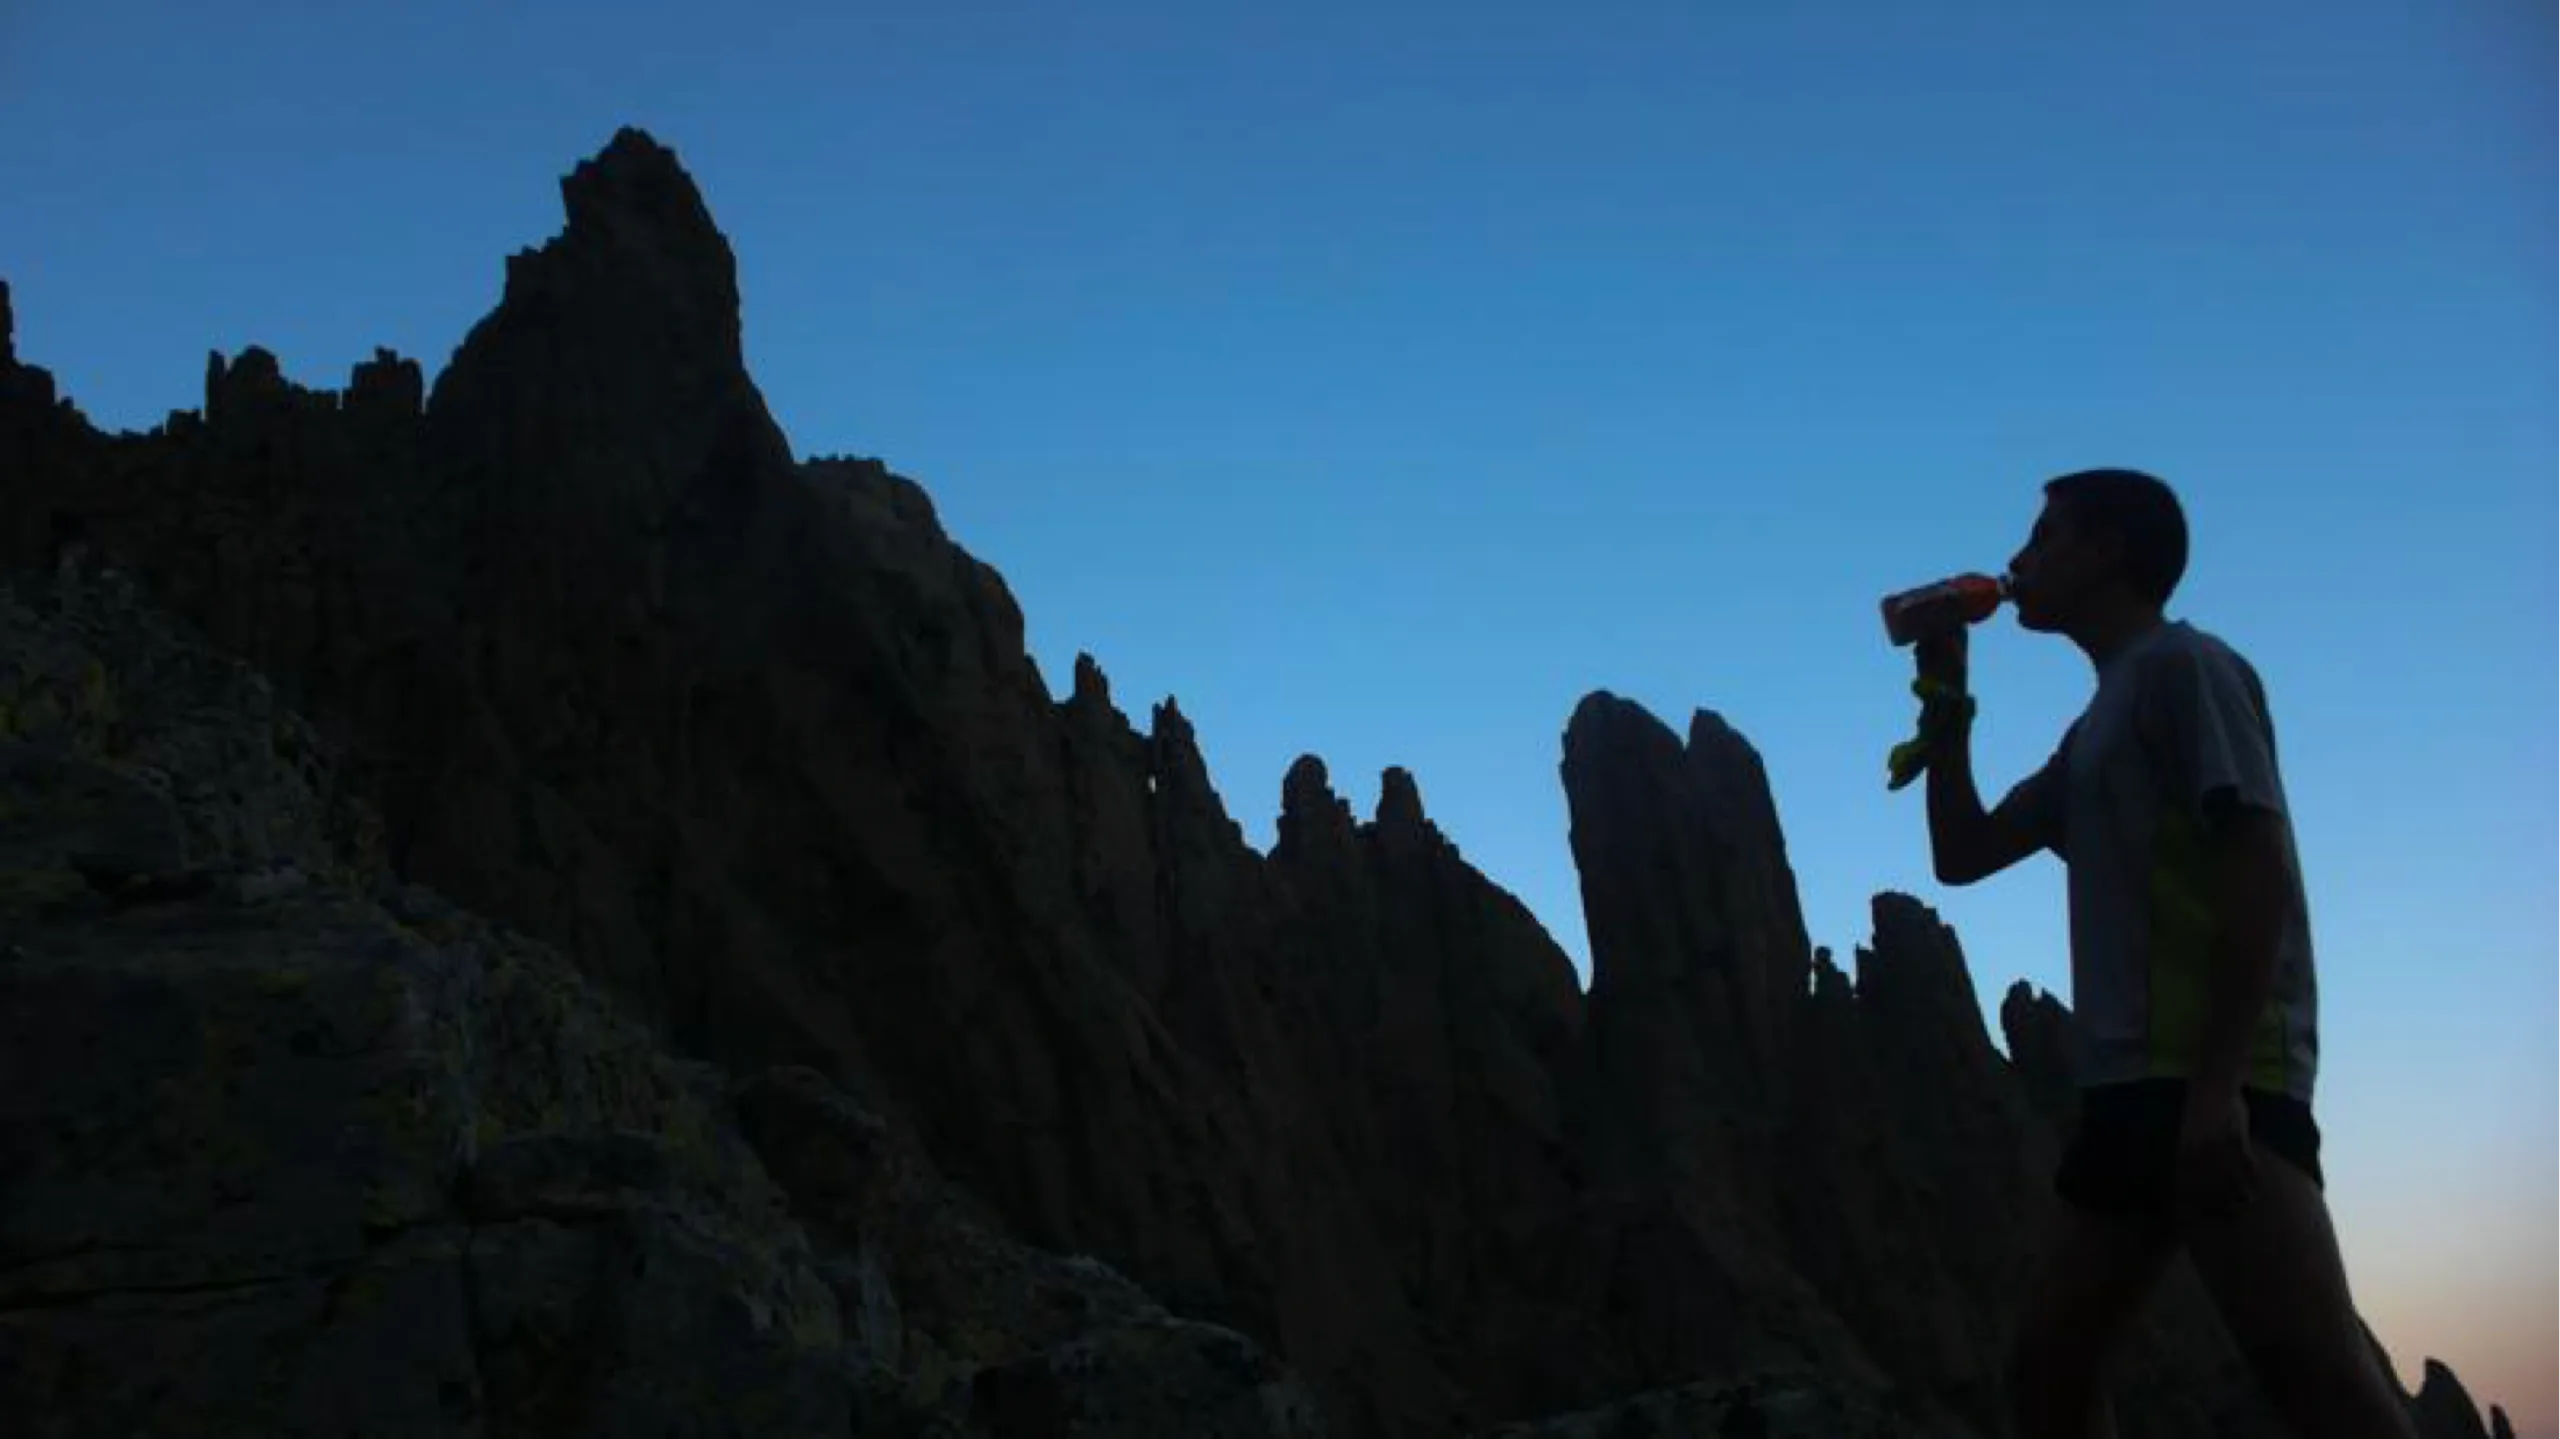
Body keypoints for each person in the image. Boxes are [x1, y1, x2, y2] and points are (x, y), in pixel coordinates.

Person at [1912, 468, 2416, 1439]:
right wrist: (1944, 693)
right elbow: (1962, 852)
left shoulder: (2186, 670)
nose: (2016, 562)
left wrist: (2218, 1088)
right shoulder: (2095, 727)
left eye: (2043, 536)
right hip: (2129, 1089)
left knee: (2315, 1378)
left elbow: (2257, 862)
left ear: (2106, 550)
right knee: (2048, 1367)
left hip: (2214, 1084)